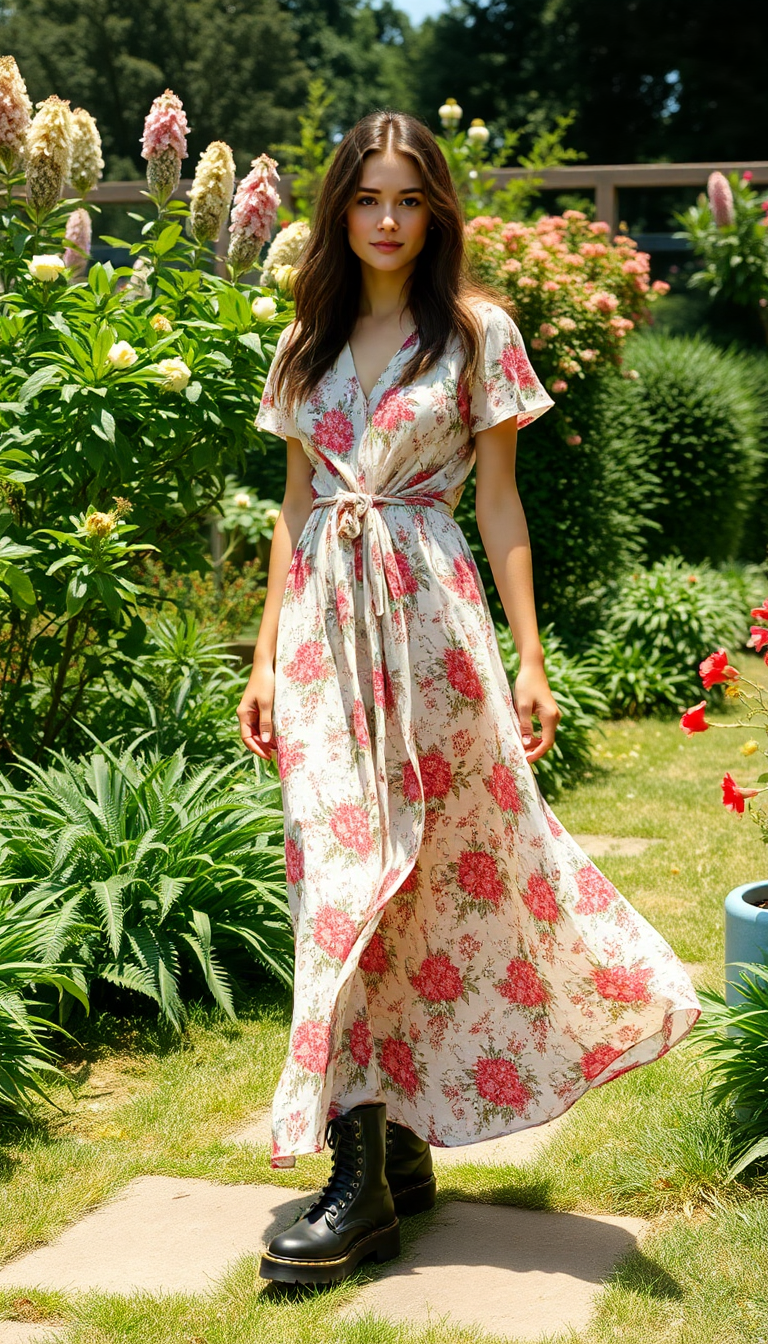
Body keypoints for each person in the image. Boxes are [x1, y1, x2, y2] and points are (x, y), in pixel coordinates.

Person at [239, 109, 701, 1287]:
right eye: (366, 199)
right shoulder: (305, 341)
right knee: (336, 879)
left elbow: (499, 506)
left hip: (434, 633)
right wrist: (261, 657)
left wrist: (535, 657)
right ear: (338, 211)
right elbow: (296, 514)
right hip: (325, 643)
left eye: (407, 199)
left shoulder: (476, 331)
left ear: (436, 210)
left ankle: (383, 1164)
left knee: (427, 883)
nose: (387, 220)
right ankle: (365, 1168)